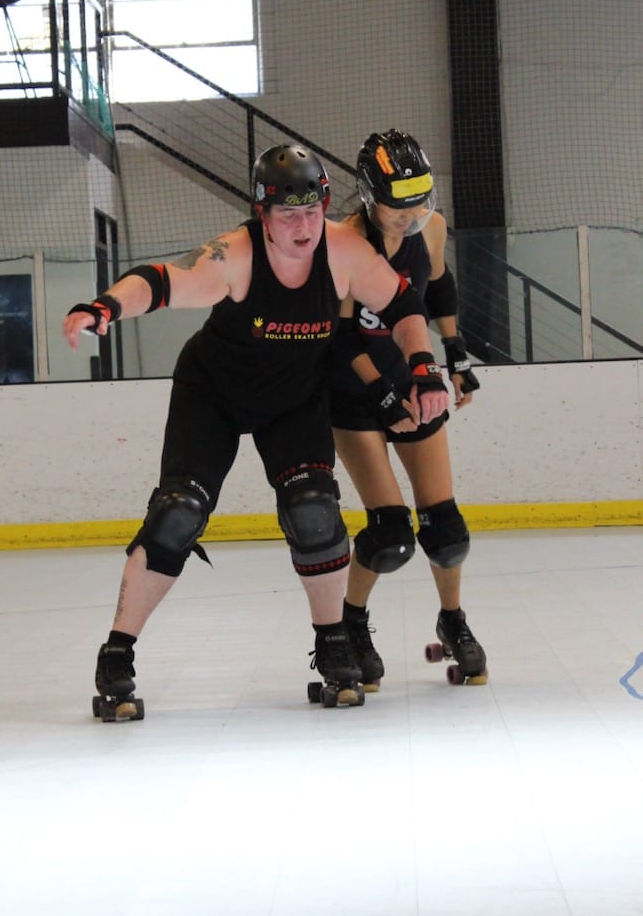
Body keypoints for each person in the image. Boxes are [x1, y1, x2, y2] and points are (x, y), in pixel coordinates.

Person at [63, 143, 448, 720]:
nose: (302, 225)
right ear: (260, 212)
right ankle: (118, 652)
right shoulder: (236, 255)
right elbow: (163, 282)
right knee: (177, 512)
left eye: (312, 210)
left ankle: (333, 643)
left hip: (291, 402)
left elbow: (403, 306)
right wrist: (105, 308)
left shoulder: (343, 252)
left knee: (314, 510)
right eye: (286, 212)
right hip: (212, 394)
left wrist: (423, 365)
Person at [328, 128, 486, 689]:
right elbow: (341, 339)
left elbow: (437, 289)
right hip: (354, 391)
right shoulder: (345, 243)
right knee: (390, 536)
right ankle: (350, 625)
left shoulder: (430, 228)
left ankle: (452, 621)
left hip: (412, 378)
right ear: (371, 198)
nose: (411, 212)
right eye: (399, 204)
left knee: (447, 531)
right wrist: (386, 397)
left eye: (420, 197)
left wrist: (457, 357)